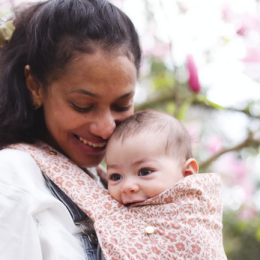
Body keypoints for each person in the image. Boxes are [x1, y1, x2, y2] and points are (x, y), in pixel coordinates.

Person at [0, 0, 141, 259]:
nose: (106, 128)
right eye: (82, 105)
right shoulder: (10, 177)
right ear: (36, 87)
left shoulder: (106, 180)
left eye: (122, 104)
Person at [9, 110, 227, 259]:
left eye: (144, 172)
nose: (127, 186)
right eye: (115, 176)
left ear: (187, 173)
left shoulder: (192, 216)